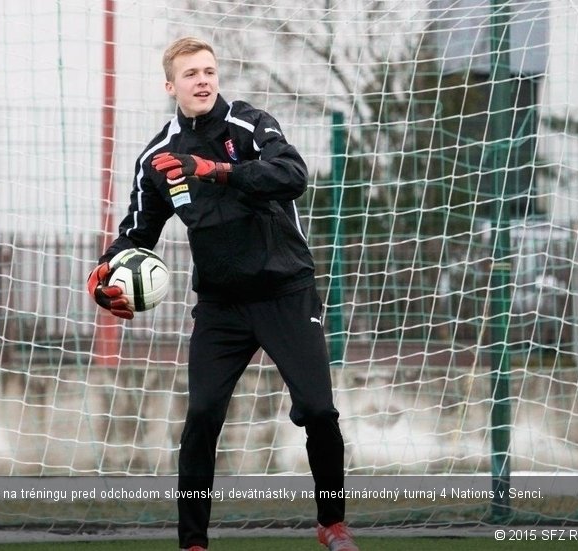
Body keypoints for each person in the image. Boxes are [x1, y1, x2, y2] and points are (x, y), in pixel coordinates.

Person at [87, 36, 358, 551]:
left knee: (319, 411)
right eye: (190, 74)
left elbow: (293, 175)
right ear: (171, 86)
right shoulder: (158, 157)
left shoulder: (251, 125)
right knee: (203, 416)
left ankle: (332, 523)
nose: (203, 80)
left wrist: (217, 171)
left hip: (286, 292)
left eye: (209, 70)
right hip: (221, 306)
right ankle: (193, 542)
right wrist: (106, 273)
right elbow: (136, 233)